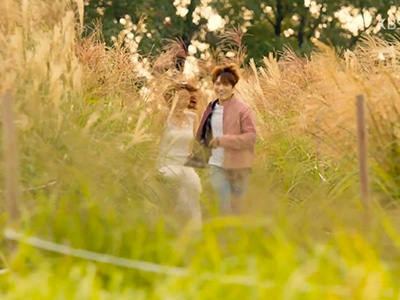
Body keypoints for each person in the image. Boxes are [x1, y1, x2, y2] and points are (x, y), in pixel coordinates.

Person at [196, 64, 256, 214]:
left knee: (238, 209)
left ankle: (236, 236)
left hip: (238, 167)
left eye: (225, 84)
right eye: (217, 84)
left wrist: (223, 140)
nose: (220, 88)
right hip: (216, 165)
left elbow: (250, 137)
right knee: (224, 204)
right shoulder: (210, 107)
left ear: (233, 86)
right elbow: (201, 134)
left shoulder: (243, 110)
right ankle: (223, 235)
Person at [158, 83, 202, 228]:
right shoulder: (164, 115)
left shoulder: (192, 117)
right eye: (182, 97)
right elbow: (154, 141)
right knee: (180, 180)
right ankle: (173, 223)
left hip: (184, 164)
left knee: (193, 182)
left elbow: (195, 144)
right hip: (166, 164)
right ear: (172, 98)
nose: (186, 100)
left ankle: (192, 229)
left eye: (187, 97)